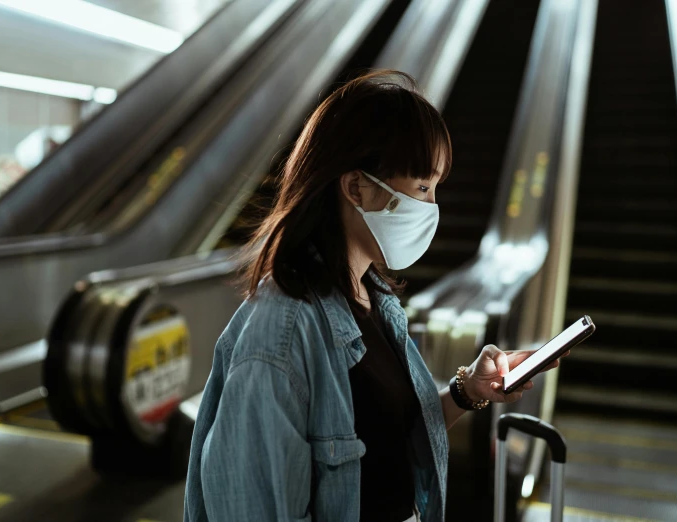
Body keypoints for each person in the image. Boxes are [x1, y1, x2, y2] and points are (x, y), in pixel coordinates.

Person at [183, 70, 559, 522]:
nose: (432, 207)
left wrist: (465, 392)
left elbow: (386, 438)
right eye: (422, 187)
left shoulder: (370, 299)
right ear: (356, 186)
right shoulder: (279, 335)